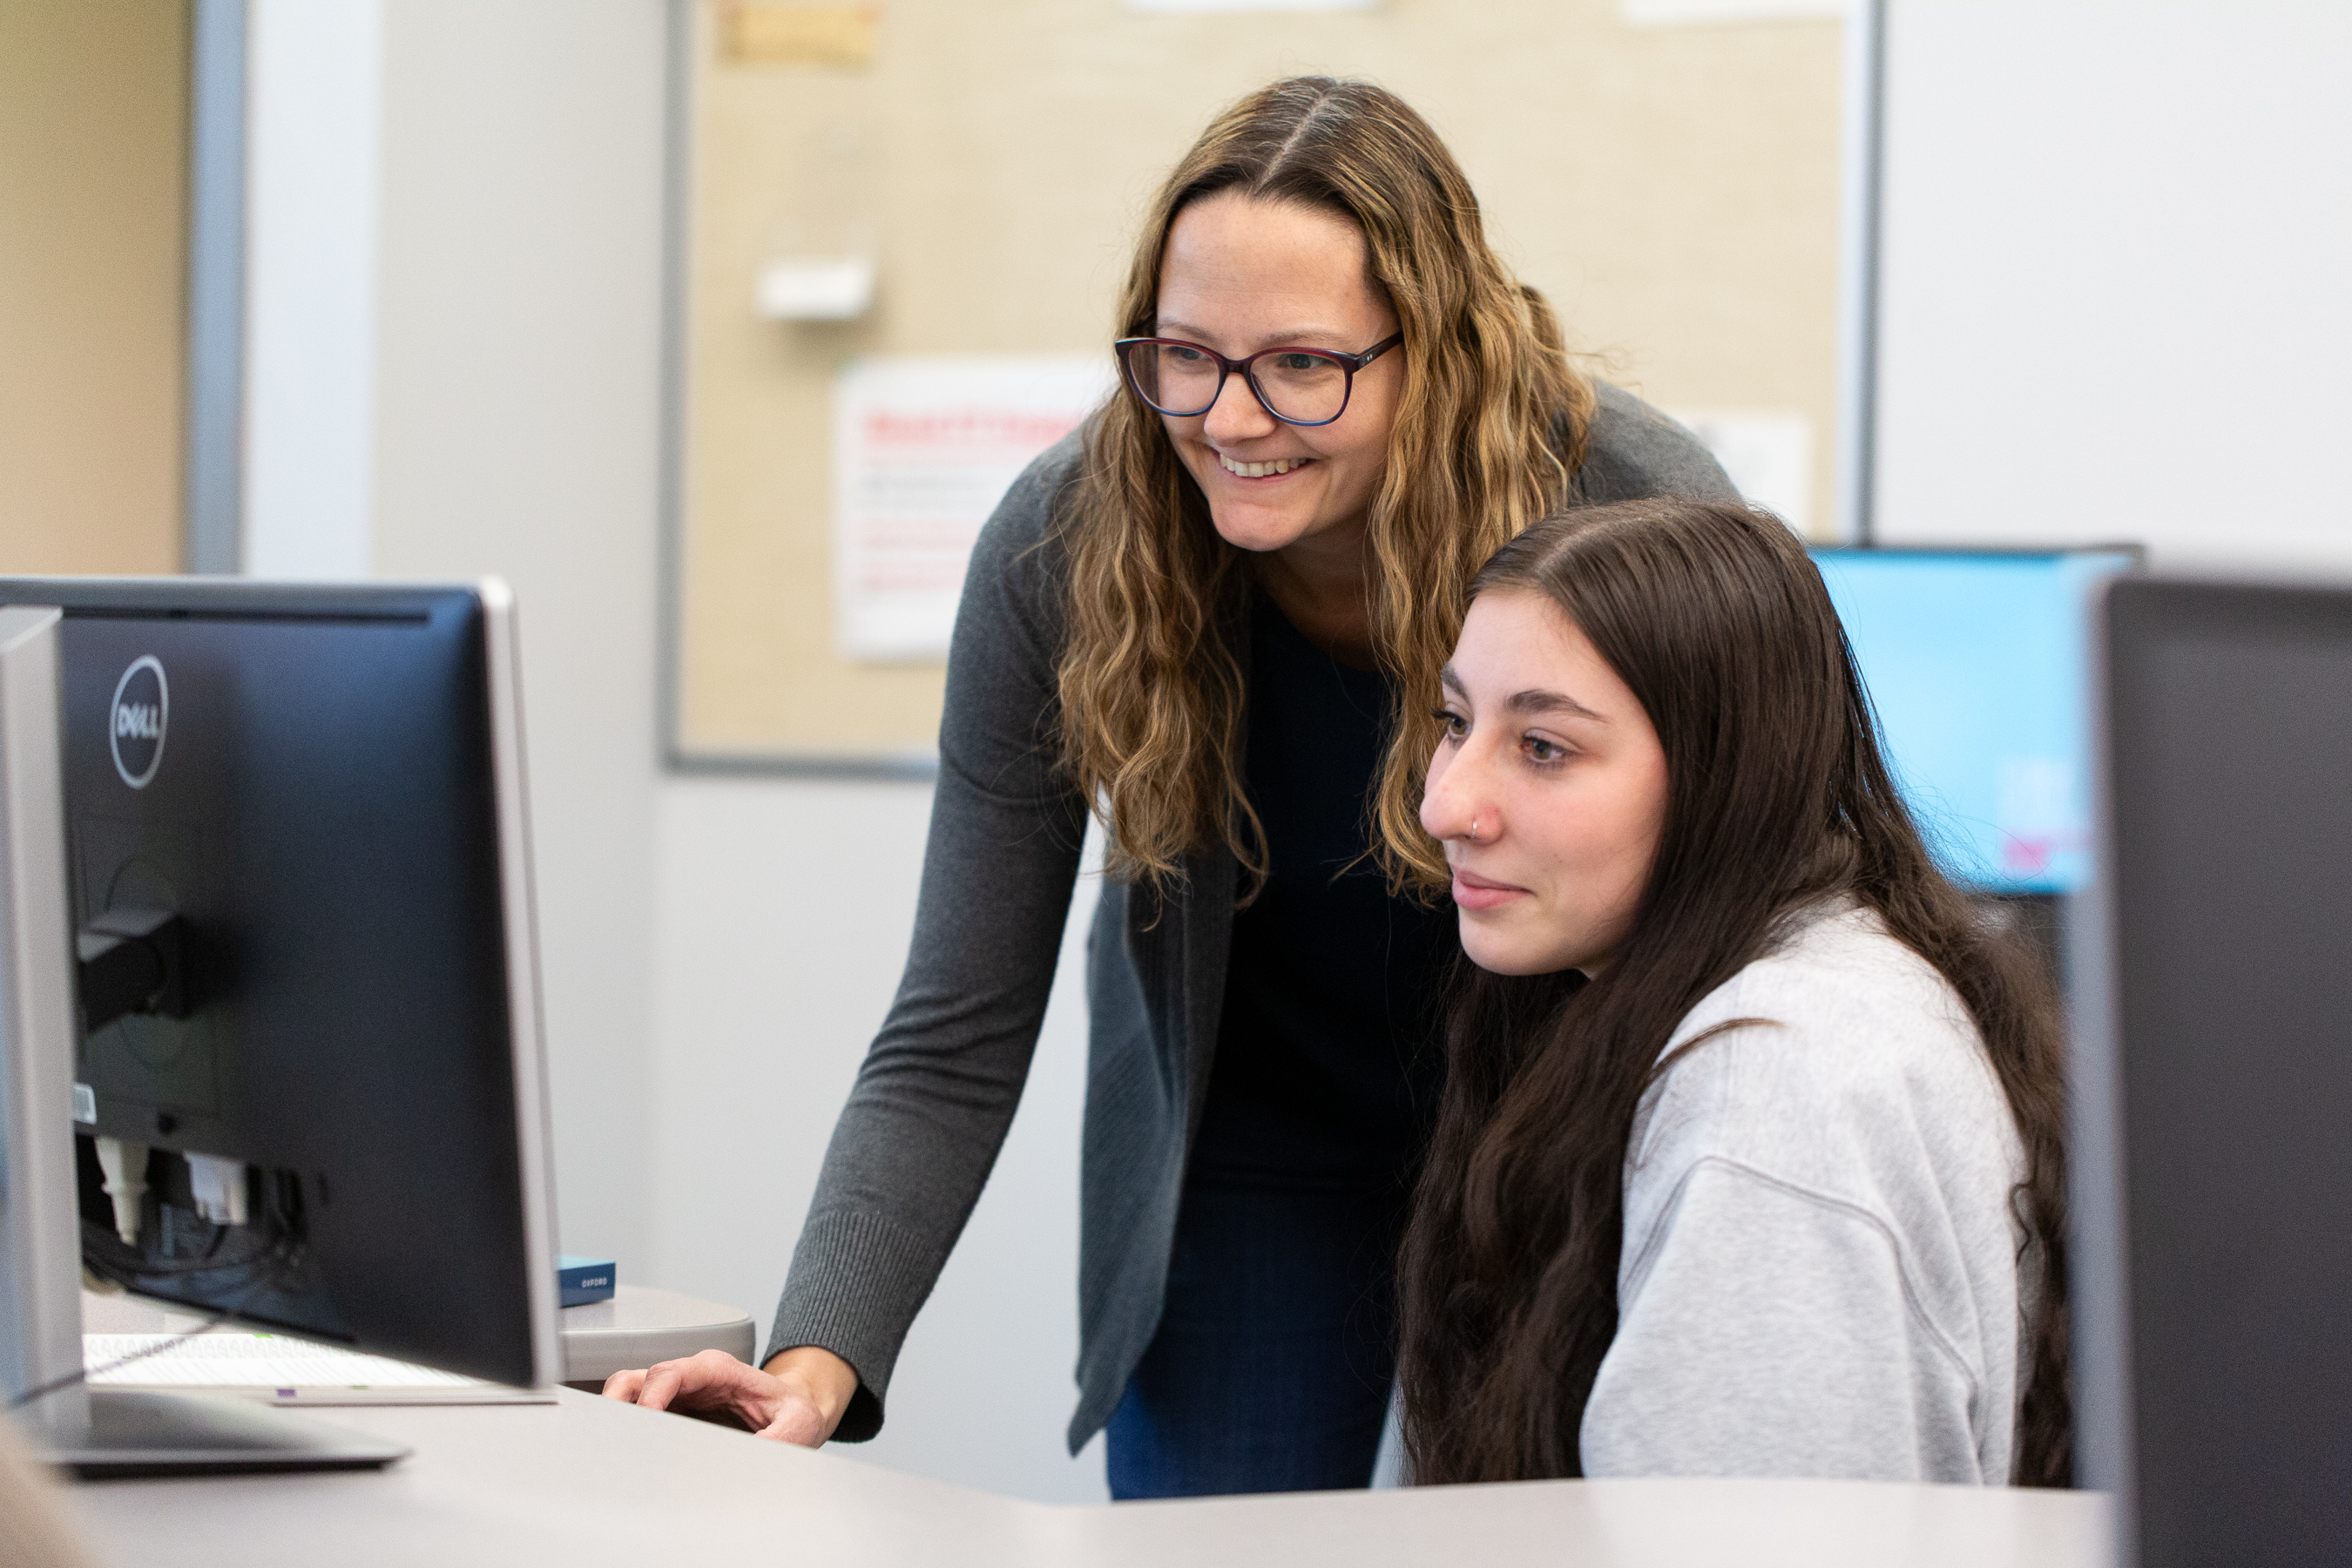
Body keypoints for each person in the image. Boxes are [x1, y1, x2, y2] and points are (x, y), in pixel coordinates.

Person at [604, 77, 1734, 1497]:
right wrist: (811, 1362)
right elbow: (956, 1024)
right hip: (1258, 1150)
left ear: (1434, 352)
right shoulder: (1074, 541)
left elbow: (1763, 917)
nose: (1231, 416)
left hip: (1560, 1131)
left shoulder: (1637, 517)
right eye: (1186, 354)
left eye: (1304, 364)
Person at [1394, 498, 2071, 1487]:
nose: (1443, 803)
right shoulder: (1842, 968)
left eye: (1544, 747)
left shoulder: (1776, 1079)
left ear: (1730, 773)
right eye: (1456, 724)